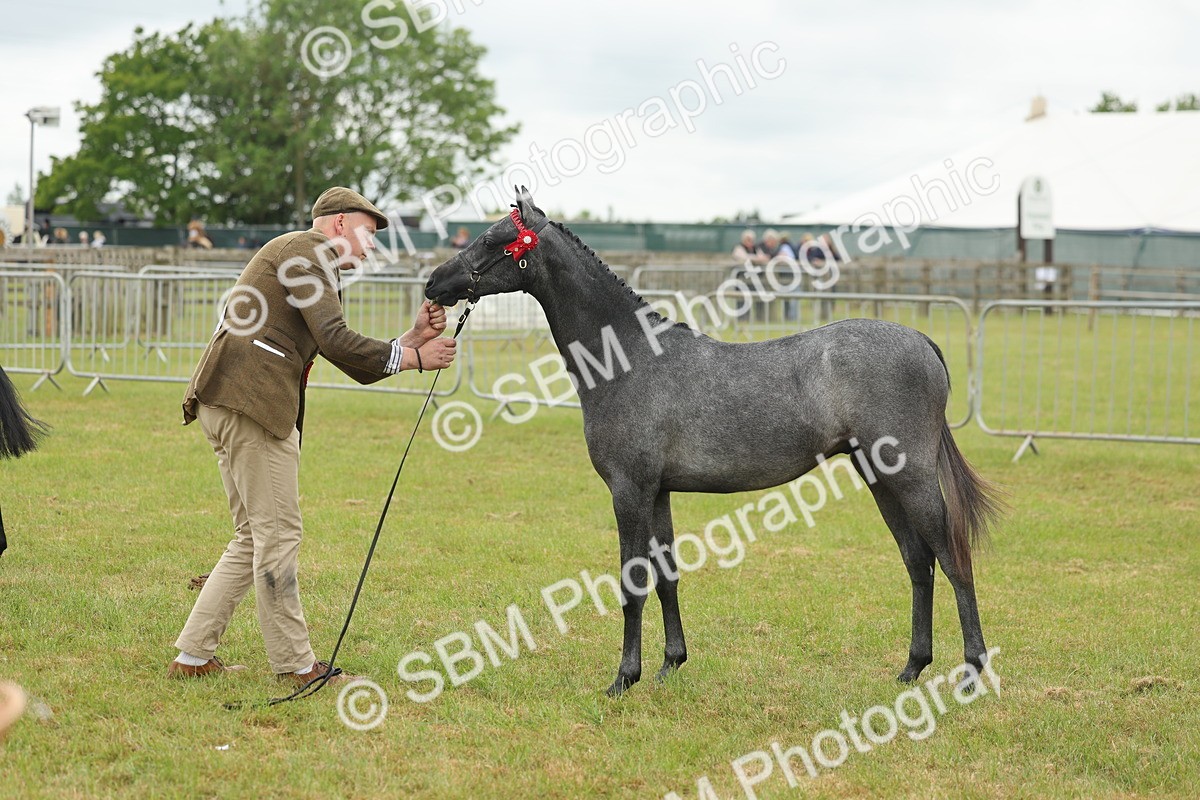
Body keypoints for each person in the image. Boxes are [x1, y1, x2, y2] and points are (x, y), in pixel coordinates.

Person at [171, 187, 457, 686]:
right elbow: (336, 339)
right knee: (278, 535)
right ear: (340, 223)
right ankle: (297, 666)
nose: (372, 246)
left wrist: (410, 341)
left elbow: (340, 352)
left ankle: (193, 657)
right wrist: (413, 357)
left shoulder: (301, 255)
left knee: (253, 537)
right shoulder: (307, 252)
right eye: (369, 232)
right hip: (252, 406)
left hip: (229, 401)